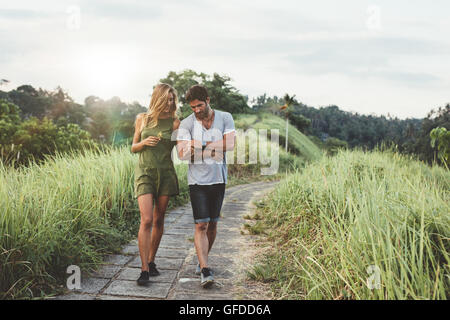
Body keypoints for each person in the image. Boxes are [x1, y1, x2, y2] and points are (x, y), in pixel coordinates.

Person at [176, 84, 235, 288]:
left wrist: (198, 145)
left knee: (213, 224)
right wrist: (213, 147)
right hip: (197, 181)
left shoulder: (225, 117)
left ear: (208, 100)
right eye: (193, 107)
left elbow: (229, 144)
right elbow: (182, 154)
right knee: (201, 224)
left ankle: (203, 260)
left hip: (218, 179)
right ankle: (205, 269)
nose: (197, 110)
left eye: (200, 105)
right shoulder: (186, 123)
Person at [131, 83, 180, 286]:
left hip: (166, 174)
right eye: (167, 99)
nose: (171, 103)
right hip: (145, 173)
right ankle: (143, 270)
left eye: (172, 99)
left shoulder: (176, 123)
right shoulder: (142, 119)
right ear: (158, 98)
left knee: (159, 220)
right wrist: (144, 143)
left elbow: (183, 148)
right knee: (147, 219)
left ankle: (151, 261)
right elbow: (133, 147)